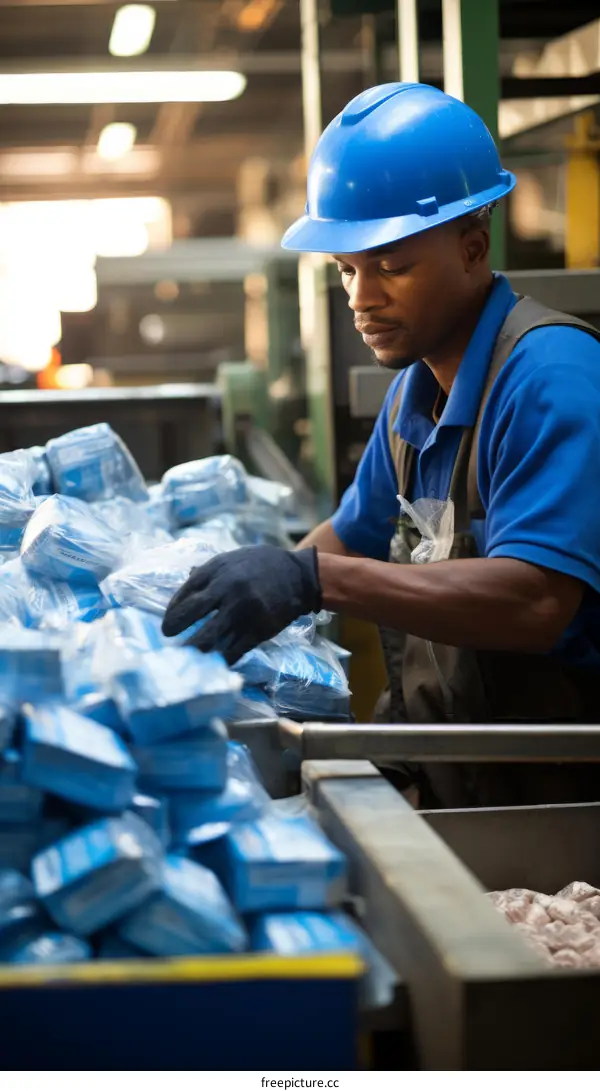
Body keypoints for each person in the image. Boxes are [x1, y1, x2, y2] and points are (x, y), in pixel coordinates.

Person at [163, 83, 600, 807]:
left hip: (563, 802)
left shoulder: (551, 378)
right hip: (457, 773)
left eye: (390, 266)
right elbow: (349, 540)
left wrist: (309, 580)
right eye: (346, 270)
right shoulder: (414, 393)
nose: (362, 298)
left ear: (472, 248)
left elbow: (533, 600)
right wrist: (211, 603)